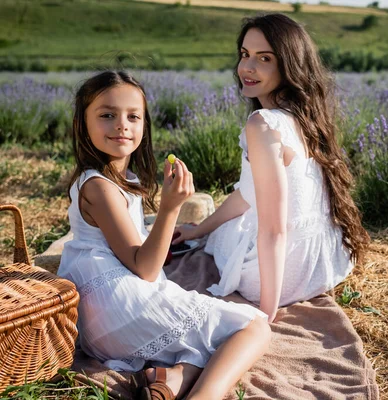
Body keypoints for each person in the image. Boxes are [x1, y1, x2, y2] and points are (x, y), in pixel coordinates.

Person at [57, 71, 270, 400]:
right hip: (117, 308)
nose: (122, 125)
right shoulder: (98, 187)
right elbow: (145, 268)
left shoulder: (112, 179)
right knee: (253, 326)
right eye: (107, 115)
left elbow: (133, 248)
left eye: (133, 116)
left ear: (144, 124)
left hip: (102, 315)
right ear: (82, 123)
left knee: (209, 339)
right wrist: (171, 208)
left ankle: (170, 380)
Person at [173, 14, 370, 322]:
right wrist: (198, 230)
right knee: (219, 228)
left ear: (288, 65)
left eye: (264, 58)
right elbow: (249, 194)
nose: (247, 69)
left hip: (277, 277)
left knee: (227, 235)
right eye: (245, 55)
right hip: (324, 264)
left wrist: (266, 313)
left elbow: (273, 230)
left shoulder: (263, 124)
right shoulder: (306, 117)